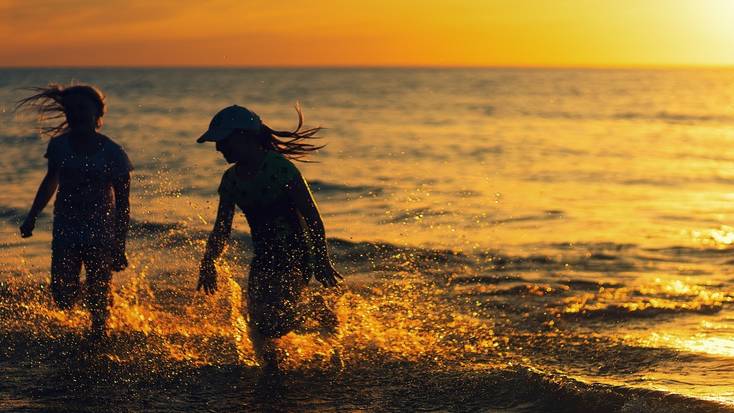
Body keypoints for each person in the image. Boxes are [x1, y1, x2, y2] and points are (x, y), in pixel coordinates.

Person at [196, 104, 342, 377]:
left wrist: (321, 259)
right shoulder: (230, 181)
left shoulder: (280, 169)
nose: (218, 149)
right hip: (263, 256)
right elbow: (221, 229)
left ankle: (318, 311)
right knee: (258, 322)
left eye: (223, 141)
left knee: (276, 321)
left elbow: (312, 218)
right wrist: (209, 262)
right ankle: (272, 369)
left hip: (296, 253)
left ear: (245, 137)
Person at [17, 84, 133, 339]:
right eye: (71, 110)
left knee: (97, 303)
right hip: (66, 227)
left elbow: (123, 204)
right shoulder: (59, 146)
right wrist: (32, 216)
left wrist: (119, 245)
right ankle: (98, 293)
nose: (77, 114)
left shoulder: (113, 153)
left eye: (82, 108)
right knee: (62, 297)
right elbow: (50, 181)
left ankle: (99, 338)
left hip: (101, 229)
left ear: (97, 112)